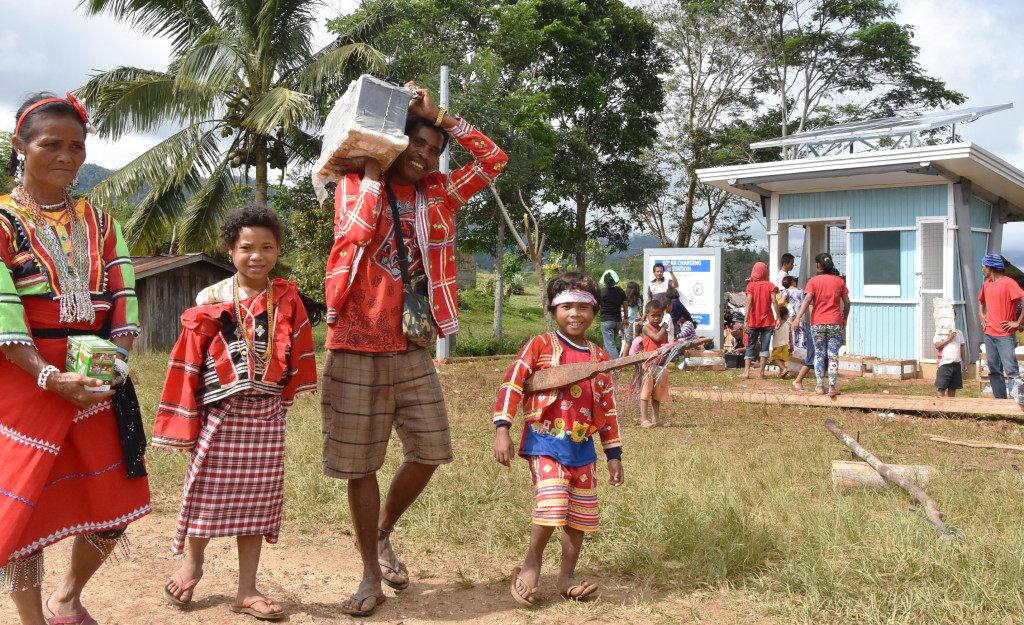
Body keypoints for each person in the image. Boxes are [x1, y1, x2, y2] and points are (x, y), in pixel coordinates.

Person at [320, 83, 507, 617]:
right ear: (394, 143)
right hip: (355, 341)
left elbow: (495, 159)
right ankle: (368, 574)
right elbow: (355, 233)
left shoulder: (441, 195)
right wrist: (374, 169)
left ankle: (381, 532)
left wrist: (440, 115)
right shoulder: (353, 184)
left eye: (433, 149)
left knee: (430, 450)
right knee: (361, 465)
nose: (425, 154)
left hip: (410, 341)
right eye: (417, 143)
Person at [0, 92, 151, 625]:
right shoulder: (0, 220)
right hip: (24, 382)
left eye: (77, 146)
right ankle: (31, 620)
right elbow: (3, 312)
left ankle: (66, 596)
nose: (66, 155)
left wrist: (115, 364)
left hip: (98, 380)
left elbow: (125, 296)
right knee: (23, 514)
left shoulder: (103, 222)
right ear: (21, 145)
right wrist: (47, 375)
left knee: (115, 502)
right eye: (51, 143)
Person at [153, 205, 317, 620]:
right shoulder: (211, 299)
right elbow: (192, 356)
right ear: (230, 249)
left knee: (257, 503)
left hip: (265, 417)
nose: (256, 256)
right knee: (206, 493)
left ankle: (247, 589)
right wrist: (183, 415)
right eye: (247, 247)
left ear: (278, 250)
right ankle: (192, 565)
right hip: (221, 415)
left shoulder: (287, 298)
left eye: (267, 247)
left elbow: (298, 345)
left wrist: (293, 388)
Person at [492, 272, 623, 607]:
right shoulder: (540, 345)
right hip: (545, 444)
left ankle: (567, 577)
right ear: (553, 310)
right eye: (566, 306)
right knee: (552, 504)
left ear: (595, 313)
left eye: (583, 307)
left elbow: (607, 409)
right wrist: (502, 429)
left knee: (578, 516)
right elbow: (512, 384)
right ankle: (531, 565)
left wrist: (614, 454)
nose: (575, 313)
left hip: (583, 450)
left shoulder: (600, 358)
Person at [794, 253, 850, 397]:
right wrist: (845, 319)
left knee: (819, 354)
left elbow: (807, 300)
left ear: (818, 265)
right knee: (833, 355)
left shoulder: (813, 281)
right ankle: (832, 388)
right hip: (835, 322)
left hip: (817, 323)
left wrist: (798, 318)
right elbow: (847, 302)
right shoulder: (839, 281)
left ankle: (819, 387)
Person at [977, 253, 1024, 399]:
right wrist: (981, 314)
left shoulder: (1009, 283)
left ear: (991, 267)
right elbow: (981, 301)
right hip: (989, 332)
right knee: (994, 370)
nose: (982, 269)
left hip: (1005, 335)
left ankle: (1015, 402)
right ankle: (1000, 401)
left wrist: (1018, 322)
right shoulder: (986, 284)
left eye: (983, 267)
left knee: (1011, 371)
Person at [743, 262, 782, 379]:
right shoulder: (771, 285)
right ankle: (761, 373)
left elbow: (749, 303)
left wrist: (746, 321)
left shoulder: (750, 286)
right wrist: (778, 318)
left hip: (754, 321)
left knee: (751, 345)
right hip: (768, 321)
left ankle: (746, 372)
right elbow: (774, 302)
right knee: (765, 346)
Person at [639, 299, 671, 428]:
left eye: (659, 315)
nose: (656, 318)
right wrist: (664, 327)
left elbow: (666, 346)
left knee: (657, 394)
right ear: (646, 315)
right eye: (653, 315)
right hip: (649, 365)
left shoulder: (664, 332)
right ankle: (643, 419)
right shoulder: (646, 328)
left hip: (660, 366)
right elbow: (657, 338)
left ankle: (656, 419)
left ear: (663, 315)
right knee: (646, 392)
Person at [933, 319, 967, 398]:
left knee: (953, 387)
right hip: (944, 364)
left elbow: (961, 347)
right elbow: (937, 346)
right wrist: (949, 338)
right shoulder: (940, 333)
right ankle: (939, 407)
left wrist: (964, 361)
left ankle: (950, 407)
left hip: (956, 364)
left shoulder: (959, 332)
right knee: (942, 387)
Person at [598, 269, 627, 359]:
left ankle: (617, 365)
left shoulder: (602, 292)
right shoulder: (620, 291)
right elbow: (625, 305)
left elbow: (596, 305)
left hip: (606, 320)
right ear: (614, 280)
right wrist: (625, 317)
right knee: (609, 343)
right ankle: (604, 361)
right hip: (617, 321)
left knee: (609, 344)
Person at [769, 306, 793, 379]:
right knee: (782, 359)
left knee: (774, 358)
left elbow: (771, 332)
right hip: (785, 345)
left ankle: (783, 369)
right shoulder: (788, 324)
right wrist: (791, 344)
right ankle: (781, 373)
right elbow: (790, 335)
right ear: (786, 316)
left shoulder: (775, 323)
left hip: (777, 344)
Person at [622, 281, 643, 348]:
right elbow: (638, 307)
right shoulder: (638, 300)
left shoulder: (624, 298)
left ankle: (623, 357)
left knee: (625, 342)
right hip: (633, 322)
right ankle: (626, 357)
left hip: (625, 321)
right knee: (630, 342)